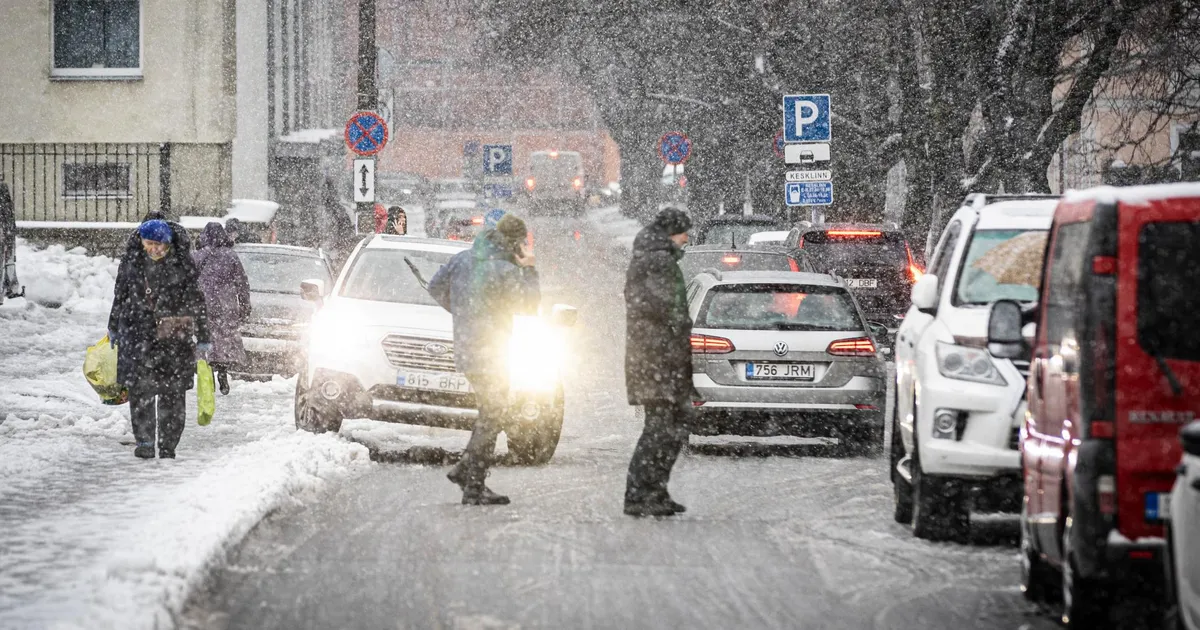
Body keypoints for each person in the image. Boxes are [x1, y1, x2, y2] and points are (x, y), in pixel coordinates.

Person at [427, 214, 540, 505]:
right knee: (494, 416)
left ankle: (468, 472)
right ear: (516, 243)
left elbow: (435, 286)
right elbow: (529, 305)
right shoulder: (505, 269)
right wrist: (529, 269)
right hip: (492, 352)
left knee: (489, 413)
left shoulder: (464, 258)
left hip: (467, 348)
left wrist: (463, 312)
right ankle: (472, 481)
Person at [108, 219, 210, 459]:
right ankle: (144, 442)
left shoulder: (182, 265)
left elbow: (198, 302)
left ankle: (167, 446)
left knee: (172, 395)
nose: (154, 249)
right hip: (137, 334)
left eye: (159, 244)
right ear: (141, 241)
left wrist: (204, 335)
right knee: (140, 393)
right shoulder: (131, 263)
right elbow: (120, 296)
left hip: (174, 339)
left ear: (169, 243)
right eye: (149, 243)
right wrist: (113, 326)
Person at [623, 207, 695, 517]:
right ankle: (639, 494)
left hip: (659, 357)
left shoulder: (654, 258)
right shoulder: (657, 261)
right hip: (657, 359)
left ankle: (654, 491)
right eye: (683, 233)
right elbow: (664, 307)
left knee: (671, 427)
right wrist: (680, 327)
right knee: (660, 429)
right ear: (671, 233)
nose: (687, 239)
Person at [192, 222, 251, 394]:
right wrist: (244, 304)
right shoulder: (231, 256)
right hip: (226, 304)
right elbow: (242, 282)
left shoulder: (198, 256)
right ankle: (223, 371)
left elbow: (188, 281)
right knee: (223, 339)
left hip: (203, 303)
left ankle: (208, 370)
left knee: (206, 337)